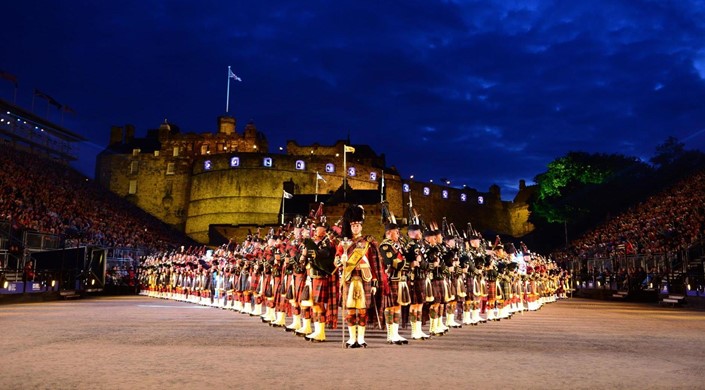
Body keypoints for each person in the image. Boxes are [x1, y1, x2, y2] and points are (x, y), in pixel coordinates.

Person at [337, 205, 385, 348]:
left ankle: (361, 338)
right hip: (349, 279)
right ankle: (352, 339)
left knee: (363, 310)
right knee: (351, 309)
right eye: (353, 225)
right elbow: (336, 261)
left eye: (358, 225)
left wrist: (375, 283)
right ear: (350, 226)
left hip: (366, 278)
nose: (356, 228)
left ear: (361, 226)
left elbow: (374, 264)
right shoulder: (343, 243)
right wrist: (342, 261)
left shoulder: (368, 243)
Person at [378, 218, 410, 345]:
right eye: (396, 232)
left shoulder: (397, 245)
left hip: (399, 279)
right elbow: (393, 263)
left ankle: (395, 333)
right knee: (390, 306)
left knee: (397, 306)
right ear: (389, 233)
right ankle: (390, 334)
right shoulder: (385, 246)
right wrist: (406, 263)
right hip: (390, 279)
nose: (398, 234)